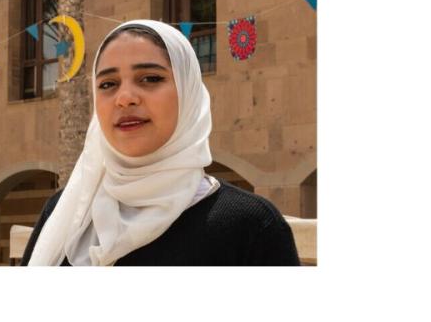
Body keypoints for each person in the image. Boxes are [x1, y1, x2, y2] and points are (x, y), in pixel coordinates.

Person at [21, 20, 300, 266]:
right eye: (108, 84)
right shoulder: (68, 210)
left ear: (188, 92)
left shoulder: (249, 226)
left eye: (150, 78)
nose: (125, 97)